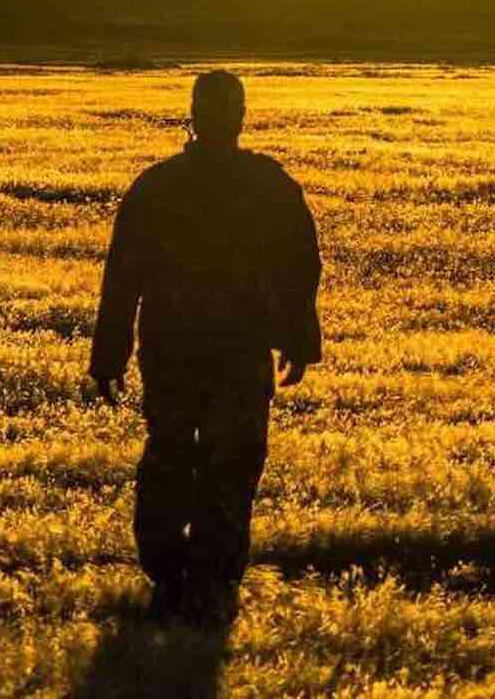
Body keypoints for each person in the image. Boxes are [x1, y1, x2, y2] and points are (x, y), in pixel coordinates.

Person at [89, 70, 323, 624]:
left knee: (179, 453)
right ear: (238, 117)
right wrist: (296, 338)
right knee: (230, 459)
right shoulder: (268, 184)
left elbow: (123, 277)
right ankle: (206, 575)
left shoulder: (159, 186)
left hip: (177, 347)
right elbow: (302, 267)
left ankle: (175, 572)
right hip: (232, 351)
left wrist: (110, 356)